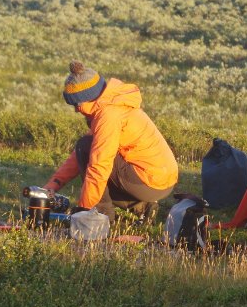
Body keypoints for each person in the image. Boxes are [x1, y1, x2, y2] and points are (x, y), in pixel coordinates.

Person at [43, 61, 178, 221]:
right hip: (159, 179)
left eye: (77, 105)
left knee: (92, 156)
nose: (76, 110)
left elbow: (99, 165)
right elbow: (79, 156)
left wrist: (84, 210)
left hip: (149, 182)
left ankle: (100, 215)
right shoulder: (111, 102)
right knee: (87, 149)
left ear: (88, 98)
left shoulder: (109, 116)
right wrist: (53, 185)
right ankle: (142, 208)